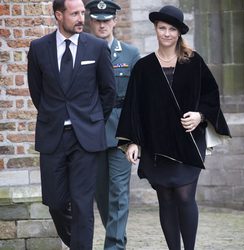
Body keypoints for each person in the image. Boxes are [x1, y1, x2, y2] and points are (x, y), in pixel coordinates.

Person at [116, 5, 231, 250]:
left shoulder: (193, 62)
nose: (166, 33)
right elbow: (134, 107)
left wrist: (200, 116)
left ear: (179, 33)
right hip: (157, 144)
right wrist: (133, 141)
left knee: (185, 196)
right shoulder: (143, 68)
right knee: (166, 199)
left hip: (188, 141)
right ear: (156, 30)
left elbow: (211, 95)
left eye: (171, 29)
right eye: (161, 28)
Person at [27, 0, 116, 248]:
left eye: (82, 13)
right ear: (59, 15)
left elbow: (108, 91)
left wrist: (93, 122)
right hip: (52, 135)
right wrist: (54, 116)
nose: (81, 18)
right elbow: (37, 92)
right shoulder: (38, 48)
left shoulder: (97, 48)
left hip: (86, 138)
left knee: (82, 203)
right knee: (55, 202)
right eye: (74, 13)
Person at [85, 1, 140, 249]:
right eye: (97, 19)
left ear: (115, 21)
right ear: (90, 22)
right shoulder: (82, 51)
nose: (102, 24)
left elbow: (138, 100)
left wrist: (135, 137)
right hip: (91, 132)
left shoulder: (130, 54)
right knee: (102, 195)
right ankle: (116, 236)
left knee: (119, 193)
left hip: (121, 133)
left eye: (107, 19)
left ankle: (115, 245)